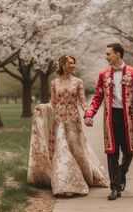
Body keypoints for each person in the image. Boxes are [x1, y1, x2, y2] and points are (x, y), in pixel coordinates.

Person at [27, 55, 109, 197]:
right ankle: (65, 183)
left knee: (76, 150)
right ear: (63, 65)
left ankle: (83, 176)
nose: (73, 65)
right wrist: (43, 107)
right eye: (70, 63)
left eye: (74, 63)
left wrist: (88, 115)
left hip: (73, 121)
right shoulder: (54, 83)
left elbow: (83, 102)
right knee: (62, 150)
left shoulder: (78, 82)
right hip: (59, 121)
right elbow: (53, 103)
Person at [84, 43, 133, 200]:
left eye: (108, 54)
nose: (106, 57)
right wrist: (89, 114)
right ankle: (114, 188)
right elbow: (98, 96)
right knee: (112, 152)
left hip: (129, 119)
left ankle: (122, 171)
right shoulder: (103, 75)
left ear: (118, 54)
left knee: (129, 150)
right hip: (111, 118)